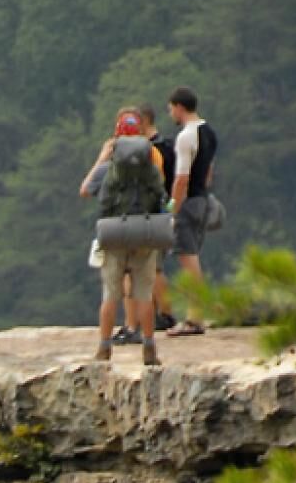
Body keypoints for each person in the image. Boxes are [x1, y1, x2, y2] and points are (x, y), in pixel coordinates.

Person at [80, 109, 167, 343]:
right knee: (144, 295)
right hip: (143, 232)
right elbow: (161, 196)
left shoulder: (107, 169)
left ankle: (104, 345)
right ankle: (148, 344)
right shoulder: (151, 167)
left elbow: (85, 190)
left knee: (110, 295)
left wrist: (101, 158)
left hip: (114, 233)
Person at [166, 86, 219, 334]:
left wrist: (173, 209)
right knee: (193, 254)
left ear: (178, 106)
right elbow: (209, 170)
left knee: (187, 258)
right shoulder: (209, 132)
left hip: (188, 202)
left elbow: (181, 179)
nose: (170, 114)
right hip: (203, 199)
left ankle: (195, 316)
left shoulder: (186, 136)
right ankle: (198, 312)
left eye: (171, 109)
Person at [137, 104, 177, 330]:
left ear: (143, 120)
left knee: (154, 268)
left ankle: (165, 313)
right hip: (164, 210)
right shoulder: (168, 146)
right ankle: (156, 312)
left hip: (155, 212)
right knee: (152, 266)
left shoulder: (153, 150)